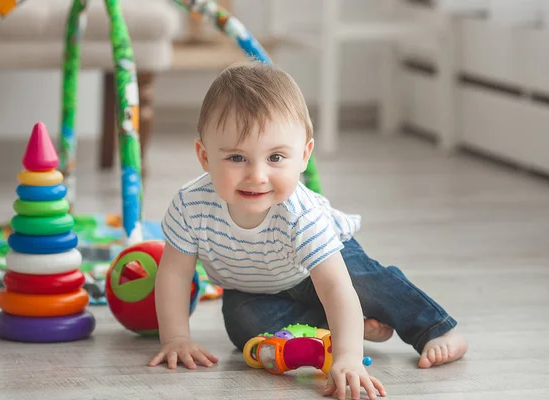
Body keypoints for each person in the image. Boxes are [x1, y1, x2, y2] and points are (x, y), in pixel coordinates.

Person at [148, 61, 468, 399]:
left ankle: (433, 328)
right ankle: (344, 327)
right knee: (244, 328)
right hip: (252, 286)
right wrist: (175, 338)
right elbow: (174, 275)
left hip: (324, 265)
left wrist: (347, 358)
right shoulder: (191, 204)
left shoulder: (301, 214)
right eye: (237, 158)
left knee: (367, 284)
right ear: (204, 156)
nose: (257, 175)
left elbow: (333, 285)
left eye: (275, 158)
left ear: (304, 156)